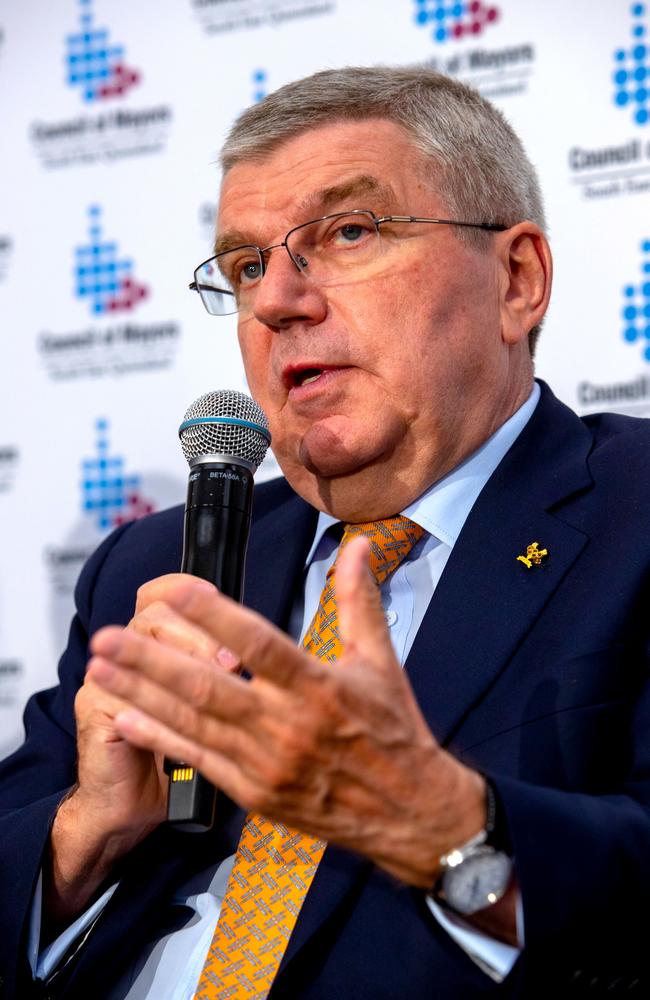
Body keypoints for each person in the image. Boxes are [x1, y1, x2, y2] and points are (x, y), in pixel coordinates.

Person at [1, 66, 649, 1000]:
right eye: (247, 265)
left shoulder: (632, 515)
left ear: (517, 280)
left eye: (348, 233)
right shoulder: (157, 567)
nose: (275, 302)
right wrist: (82, 837)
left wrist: (442, 828)